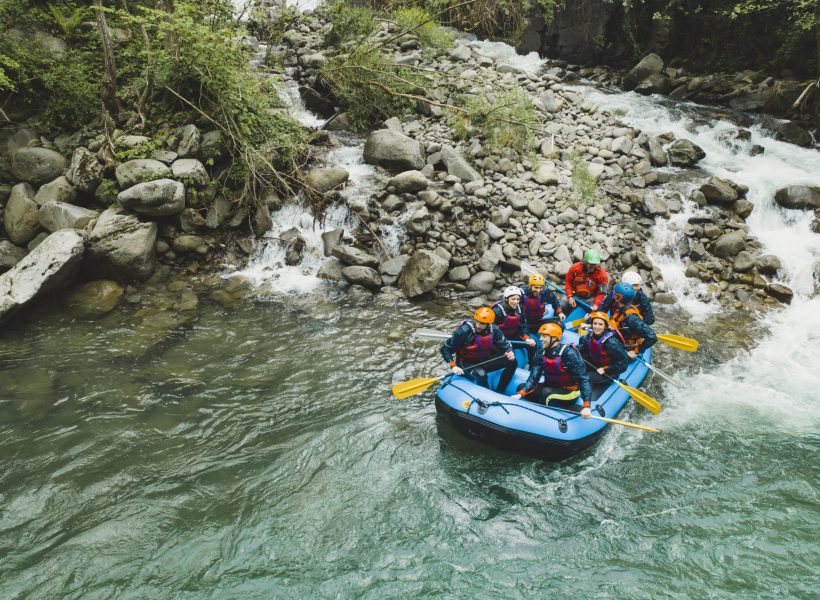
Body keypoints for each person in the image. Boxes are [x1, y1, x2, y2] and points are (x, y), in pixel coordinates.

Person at [510, 323, 594, 419]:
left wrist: (587, 405)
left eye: (544, 336)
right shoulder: (541, 353)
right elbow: (534, 377)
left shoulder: (569, 353)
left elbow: (583, 379)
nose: (540, 339)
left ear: (554, 338)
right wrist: (521, 393)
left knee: (546, 393)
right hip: (551, 386)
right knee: (521, 387)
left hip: (570, 391)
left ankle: (542, 418)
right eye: (541, 336)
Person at [440, 306, 518, 393]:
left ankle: (500, 390)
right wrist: (453, 366)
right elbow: (445, 349)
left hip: (484, 360)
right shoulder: (463, 331)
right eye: (477, 321)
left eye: (482, 323)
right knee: (481, 374)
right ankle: (487, 394)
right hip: (466, 363)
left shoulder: (494, 329)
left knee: (513, 362)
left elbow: (505, 344)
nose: (478, 325)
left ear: (489, 324)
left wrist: (509, 351)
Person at [578, 312, 629, 385]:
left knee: (582, 378)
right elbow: (584, 347)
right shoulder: (590, 336)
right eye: (595, 324)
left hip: (608, 372)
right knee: (575, 365)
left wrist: (605, 369)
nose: (597, 327)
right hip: (594, 362)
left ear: (605, 326)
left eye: (600, 324)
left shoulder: (611, 343)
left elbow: (623, 364)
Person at [609, 283, 657, 360]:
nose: (613, 296)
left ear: (619, 298)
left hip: (628, 347)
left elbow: (652, 337)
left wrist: (636, 352)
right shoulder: (622, 307)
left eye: (615, 294)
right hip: (620, 338)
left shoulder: (632, 318)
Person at [492, 286, 537, 365]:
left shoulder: (519, 308)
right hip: (500, 341)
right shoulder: (497, 311)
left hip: (513, 338)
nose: (516, 302)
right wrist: (503, 343)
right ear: (506, 299)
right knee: (510, 359)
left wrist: (526, 337)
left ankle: (532, 366)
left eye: (518, 299)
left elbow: (523, 326)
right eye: (513, 299)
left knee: (532, 345)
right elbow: (491, 330)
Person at [562, 249, 609, 314]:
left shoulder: (602, 275)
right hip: (574, 294)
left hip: (590, 298)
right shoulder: (575, 268)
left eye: (594, 264)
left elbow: (602, 293)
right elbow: (568, 282)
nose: (592, 267)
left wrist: (596, 305)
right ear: (585, 262)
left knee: (597, 311)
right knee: (563, 302)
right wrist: (570, 296)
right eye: (590, 264)